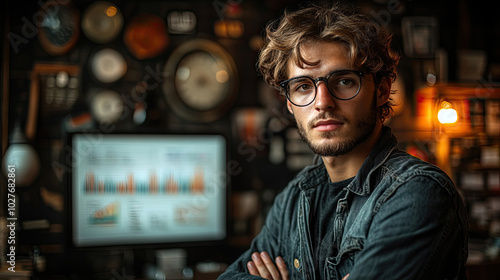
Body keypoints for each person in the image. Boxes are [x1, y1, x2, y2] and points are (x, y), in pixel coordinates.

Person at [218, 3, 468, 280]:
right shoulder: (294, 199)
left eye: (344, 81)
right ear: (289, 103)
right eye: (303, 86)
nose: (323, 102)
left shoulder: (417, 191)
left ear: (382, 90)